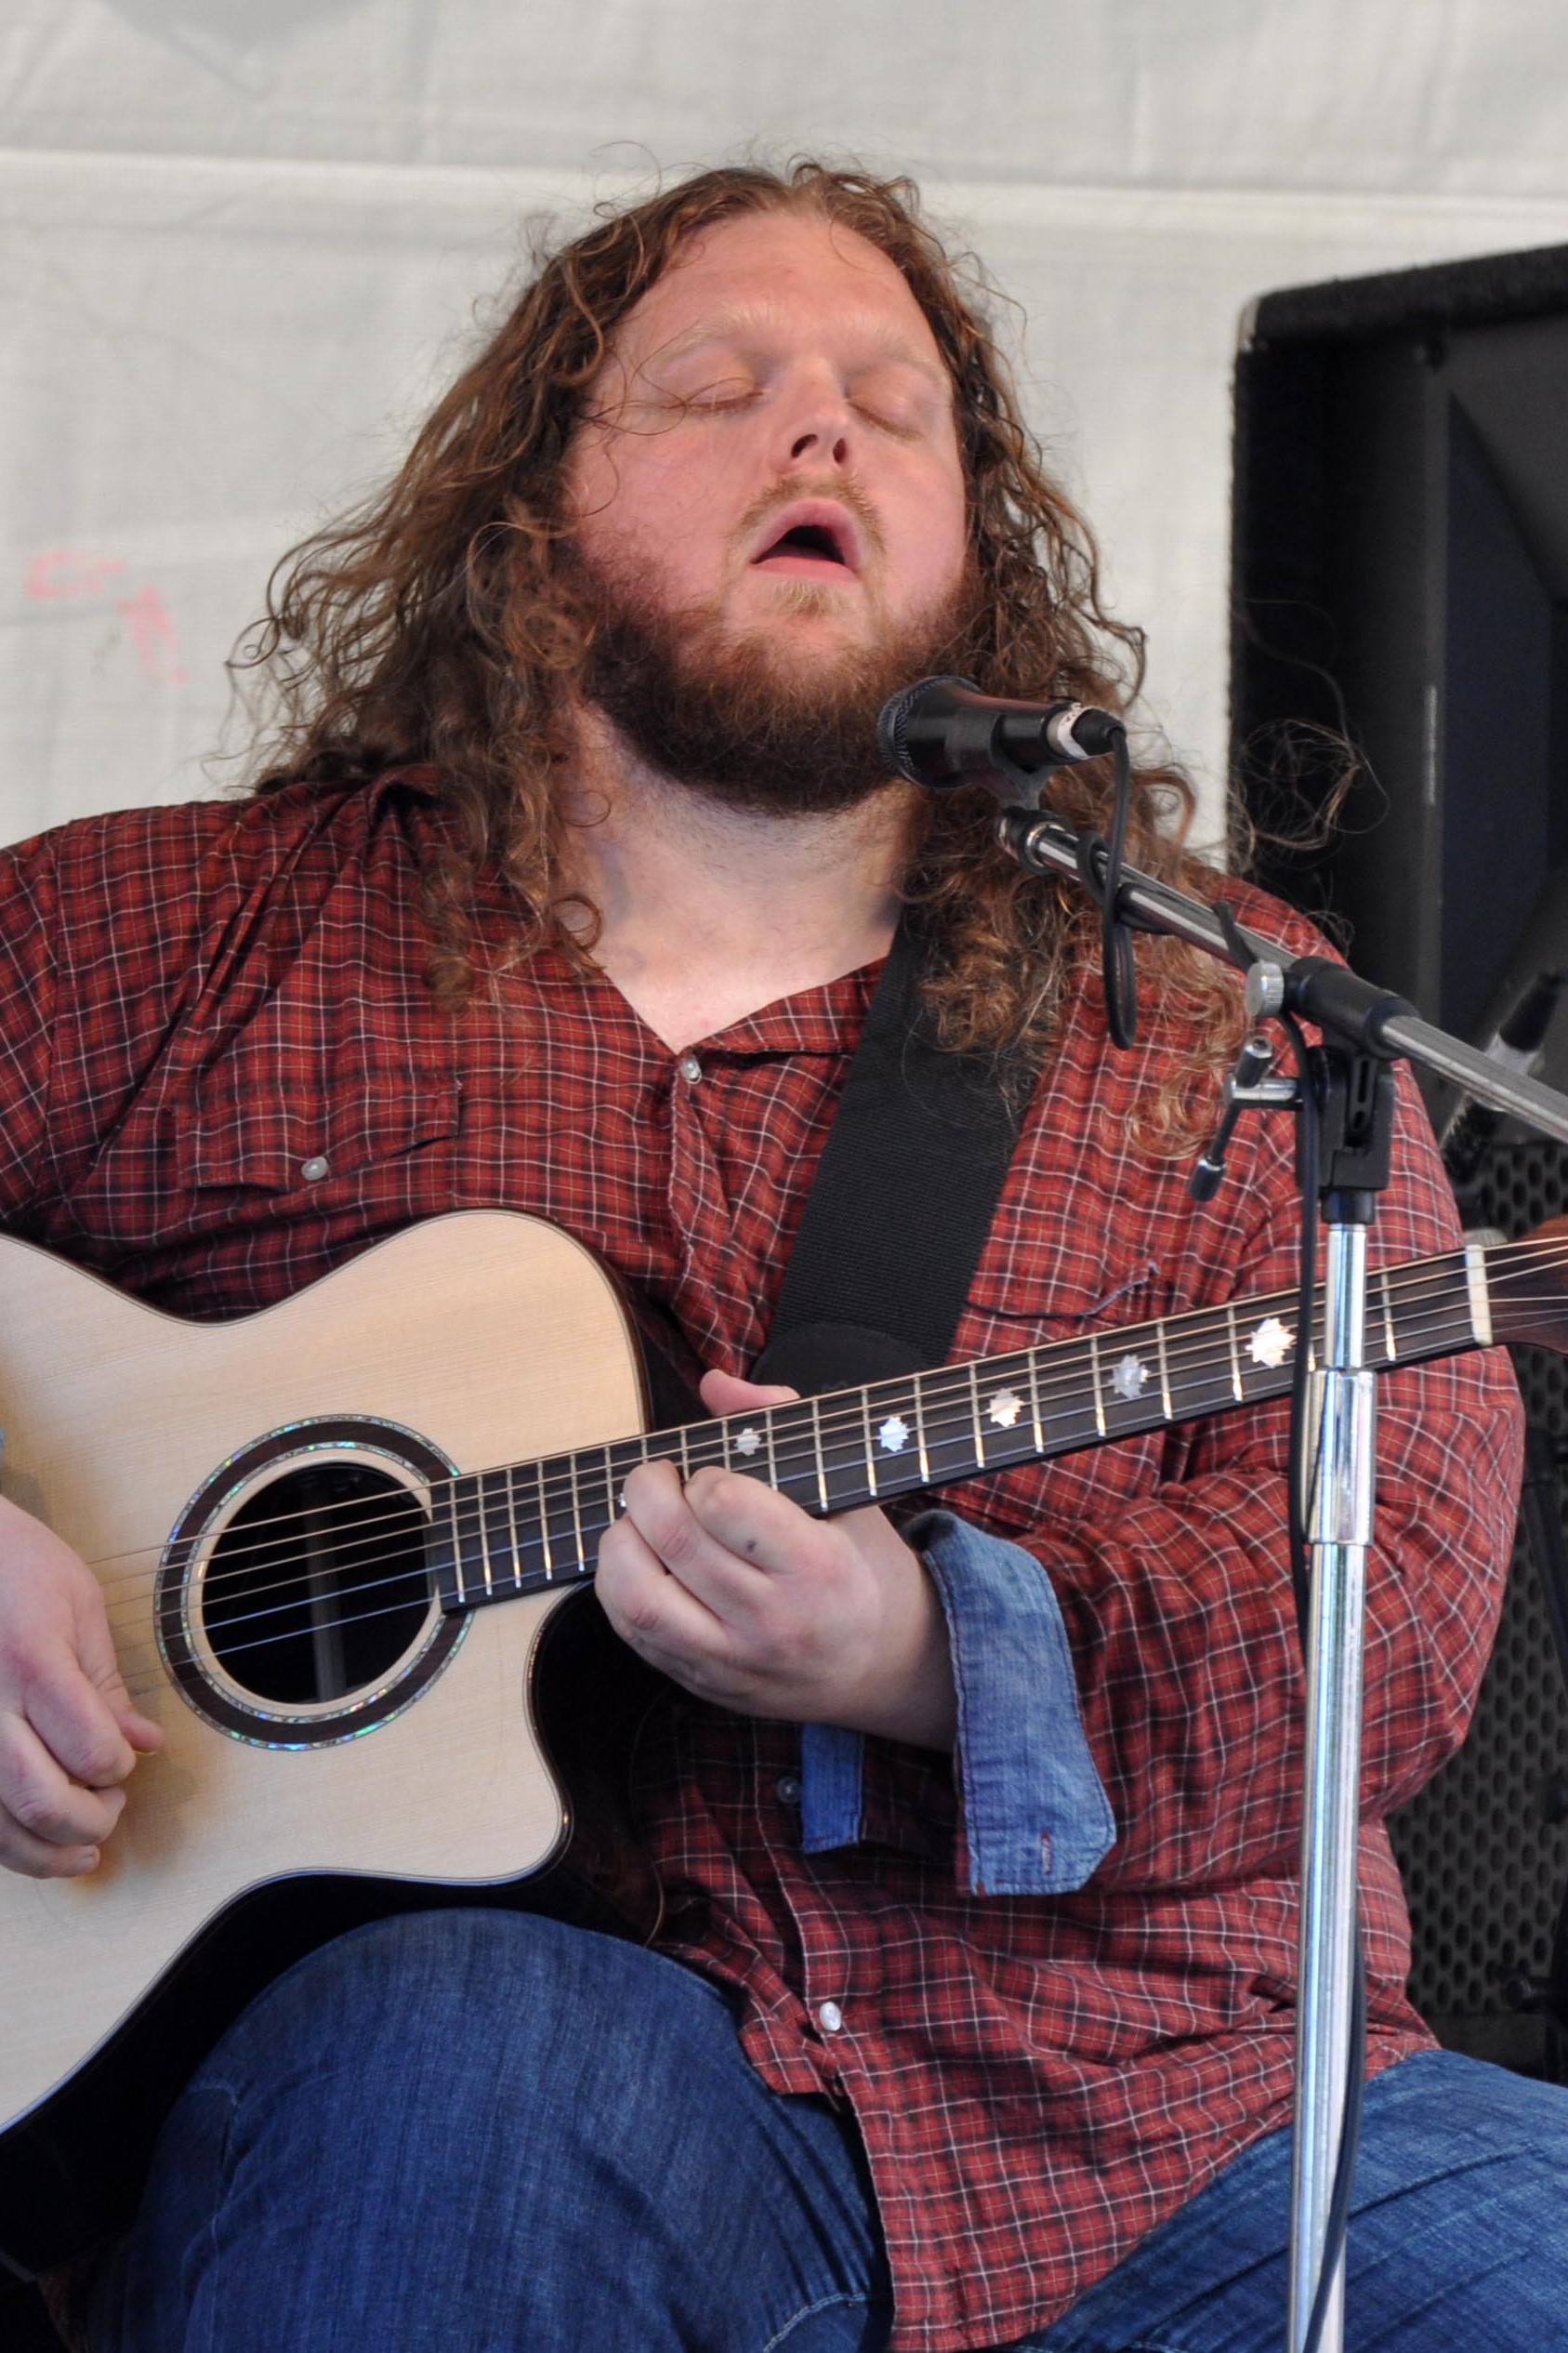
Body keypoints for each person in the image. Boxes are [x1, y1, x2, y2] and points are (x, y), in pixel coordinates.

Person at [0, 160, 1554, 2353]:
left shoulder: (1223, 1028)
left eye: (889, 410)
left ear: (969, 546)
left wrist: (942, 1661)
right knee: (465, 2056)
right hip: (493, 2096)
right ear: (528, 515)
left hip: (1157, 2122)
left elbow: (1393, 1612)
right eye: (717, 388)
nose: (815, 432)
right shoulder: (171, 939)